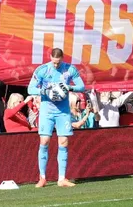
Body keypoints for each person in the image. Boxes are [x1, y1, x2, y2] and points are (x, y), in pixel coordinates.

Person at [27, 47, 85, 188]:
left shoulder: (69, 69)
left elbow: (82, 86)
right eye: (53, 62)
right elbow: (30, 89)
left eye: (58, 63)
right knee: (45, 141)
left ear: (62, 59)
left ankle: (62, 178)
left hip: (63, 111)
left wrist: (68, 88)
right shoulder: (42, 70)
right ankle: (42, 178)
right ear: (50, 58)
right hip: (47, 110)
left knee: (64, 142)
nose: (55, 65)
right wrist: (44, 90)